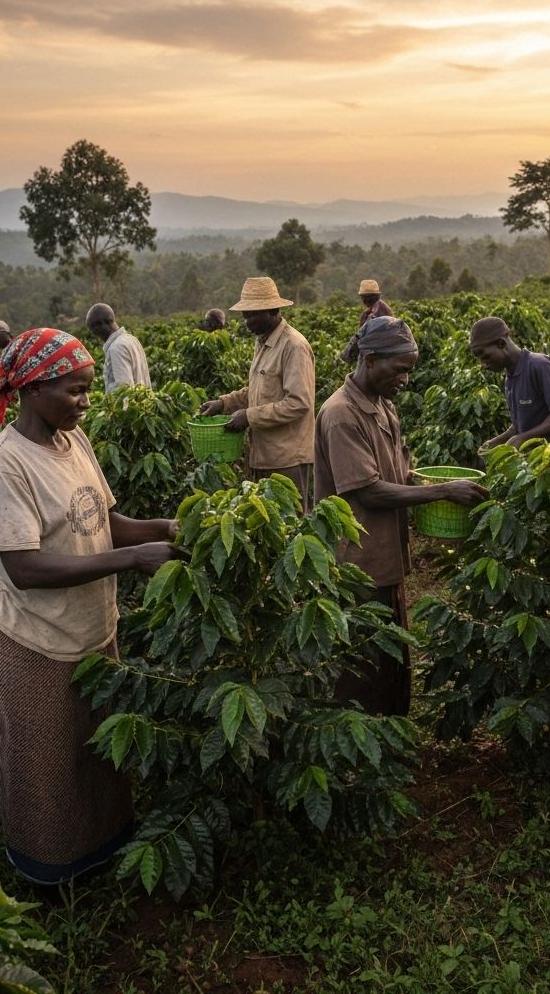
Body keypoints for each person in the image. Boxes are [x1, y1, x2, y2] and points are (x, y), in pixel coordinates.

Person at [0, 328, 180, 885]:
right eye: (75, 392)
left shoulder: (74, 441)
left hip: (92, 627)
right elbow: (24, 568)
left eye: (88, 390)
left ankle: (106, 844)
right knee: (47, 769)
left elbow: (104, 522)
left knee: (96, 752)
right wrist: (133, 558)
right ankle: (51, 871)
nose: (86, 403)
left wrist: (165, 528)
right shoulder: (3, 464)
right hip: (38, 641)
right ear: (33, 389)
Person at [315, 316, 488, 715]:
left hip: (385, 553)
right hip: (357, 558)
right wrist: (441, 491)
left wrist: (421, 479)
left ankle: (390, 731)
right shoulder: (342, 414)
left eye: (409, 370)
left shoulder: (382, 405)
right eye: (400, 369)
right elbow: (367, 490)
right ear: (371, 359)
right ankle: (357, 737)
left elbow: (393, 472)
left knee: (391, 652)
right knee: (363, 658)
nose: (405, 379)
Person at [199, 277, 316, 509]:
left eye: (253, 314)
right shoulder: (262, 342)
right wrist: (223, 403)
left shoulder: (293, 346)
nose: (247, 321)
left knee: (289, 526)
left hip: (286, 459)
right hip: (262, 455)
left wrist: (249, 417)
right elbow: (257, 390)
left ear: (273, 310)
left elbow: (298, 402)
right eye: (245, 315)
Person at [469, 316, 550, 452]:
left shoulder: (539, 365)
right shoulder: (509, 379)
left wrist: (524, 437)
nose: (484, 365)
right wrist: (497, 441)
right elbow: (521, 424)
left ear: (501, 343)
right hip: (538, 464)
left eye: (486, 357)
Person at [84, 302, 152, 392]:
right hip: (144, 403)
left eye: (93, 328)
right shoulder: (132, 340)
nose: (94, 333)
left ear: (102, 323)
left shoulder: (116, 348)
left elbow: (124, 390)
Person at [340, 279, 392, 364]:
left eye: (363, 298)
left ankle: (348, 357)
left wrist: (349, 354)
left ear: (366, 298)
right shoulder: (376, 309)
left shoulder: (377, 312)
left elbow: (362, 335)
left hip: (378, 351)